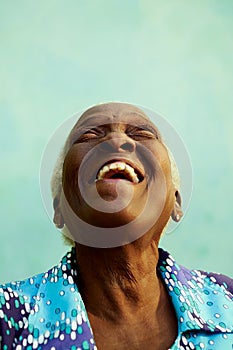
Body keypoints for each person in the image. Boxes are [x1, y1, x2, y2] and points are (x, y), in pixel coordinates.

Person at [0, 102, 233, 350]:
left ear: (175, 201)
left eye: (142, 134)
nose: (117, 141)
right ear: (60, 209)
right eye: (89, 135)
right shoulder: (8, 319)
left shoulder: (228, 298)